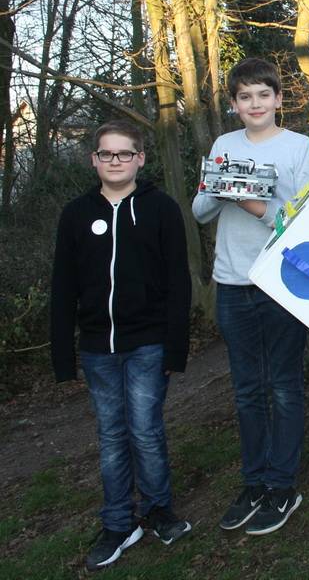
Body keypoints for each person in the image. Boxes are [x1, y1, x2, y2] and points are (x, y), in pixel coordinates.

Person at [50, 120, 192, 571]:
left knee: (146, 430)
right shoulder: (75, 214)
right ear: (94, 159)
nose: (116, 161)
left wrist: (176, 348)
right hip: (97, 348)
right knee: (112, 435)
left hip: (148, 342)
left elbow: (178, 281)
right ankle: (117, 523)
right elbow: (63, 286)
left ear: (140, 159)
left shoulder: (161, 209)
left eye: (124, 153)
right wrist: (62, 356)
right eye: (107, 154)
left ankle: (158, 510)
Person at [193, 57, 309, 536]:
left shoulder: (298, 147)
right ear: (233, 103)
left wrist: (256, 206)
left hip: (281, 281)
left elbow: (307, 218)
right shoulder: (223, 146)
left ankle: (282, 484)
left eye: (263, 95)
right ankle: (254, 482)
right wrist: (222, 188)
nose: (255, 104)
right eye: (245, 97)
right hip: (232, 281)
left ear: (278, 99)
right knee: (247, 389)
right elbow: (200, 210)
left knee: (284, 386)